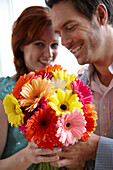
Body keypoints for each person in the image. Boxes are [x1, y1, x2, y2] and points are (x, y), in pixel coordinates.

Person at [45, 0, 113, 169]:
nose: (64, 42)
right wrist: (74, 163)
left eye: (70, 27)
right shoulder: (73, 90)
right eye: (59, 34)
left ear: (101, 15)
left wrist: (97, 149)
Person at [0, 6, 64, 170]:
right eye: (39, 44)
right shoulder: (4, 93)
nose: (49, 54)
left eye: (54, 45)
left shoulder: (63, 89)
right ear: (21, 45)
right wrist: (26, 157)